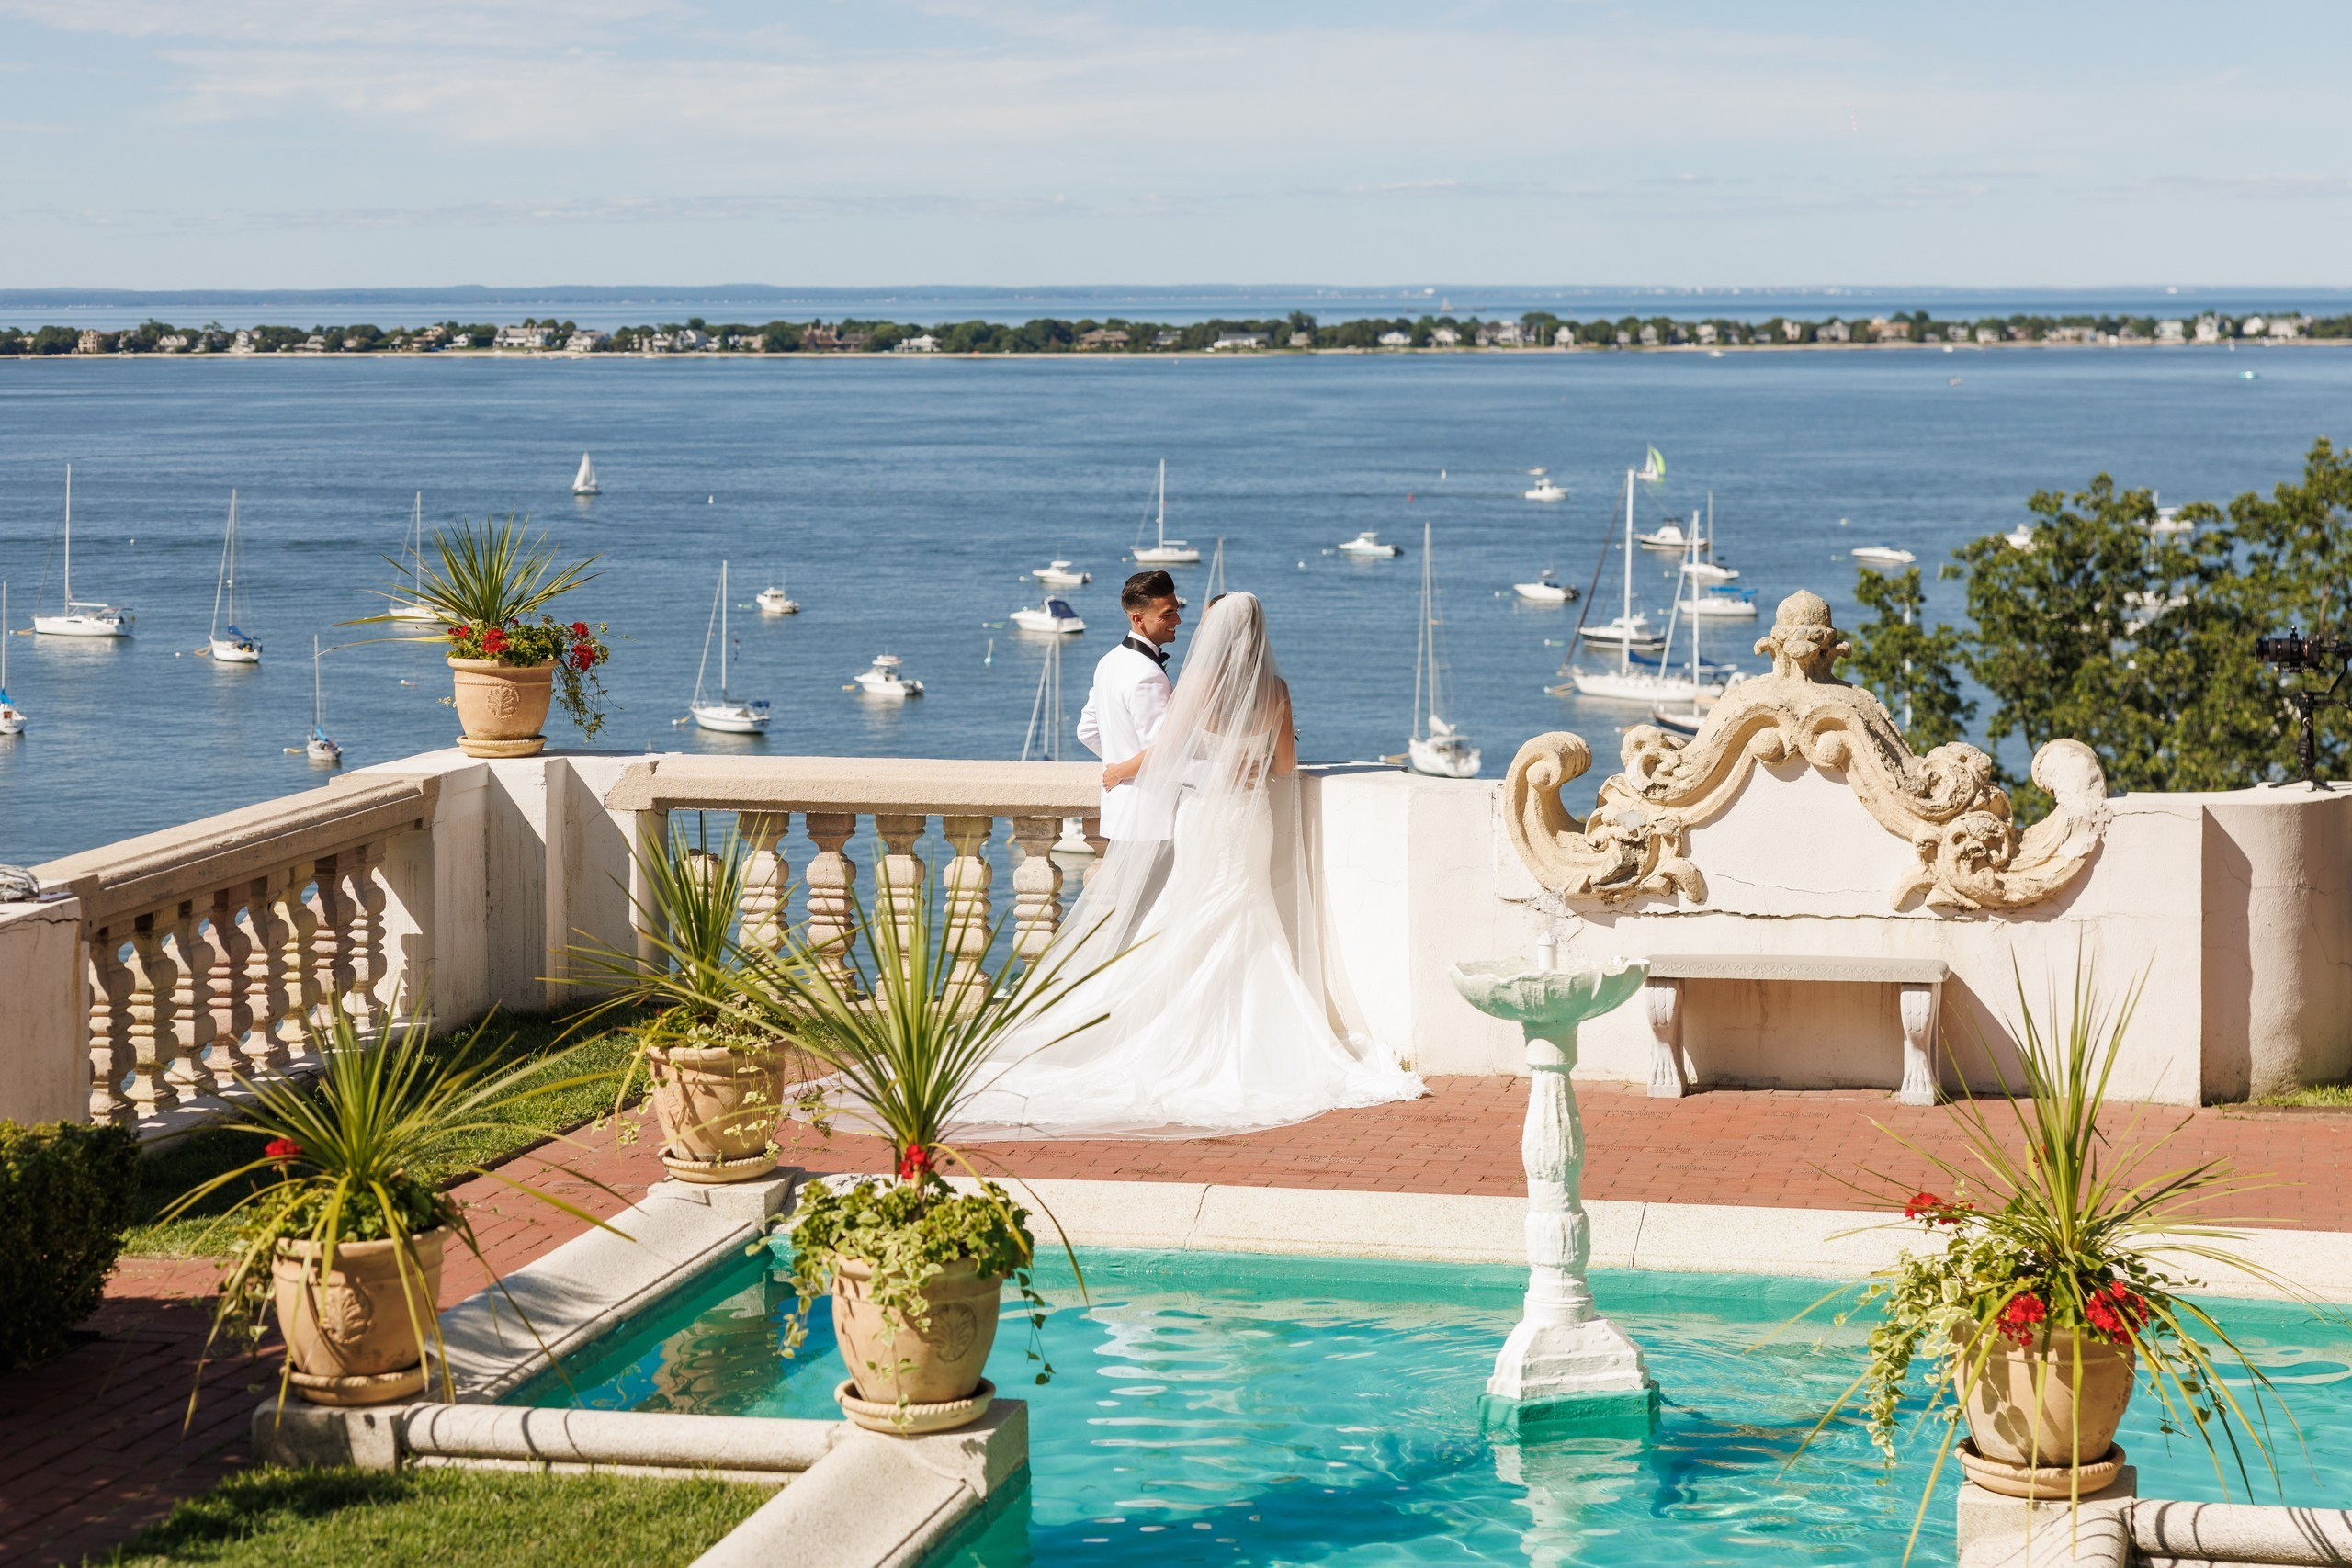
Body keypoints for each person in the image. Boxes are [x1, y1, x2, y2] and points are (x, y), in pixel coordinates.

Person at [958, 591, 1425, 1140]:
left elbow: (1169, 754)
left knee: (1189, 912)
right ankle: (1252, 1043)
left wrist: (1118, 772)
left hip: (1205, 815)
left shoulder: (1198, 688)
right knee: (1248, 913)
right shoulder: (1275, 691)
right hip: (1249, 818)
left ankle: (1172, 1033)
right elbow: (1284, 767)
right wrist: (1247, 760)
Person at [1076, 570, 1181, 843]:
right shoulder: (1149, 674)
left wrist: (1119, 765)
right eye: (1167, 614)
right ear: (1138, 619)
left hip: (1118, 813)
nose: (1178, 620)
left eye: (1176, 611)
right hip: (1152, 819)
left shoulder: (1108, 661)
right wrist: (1124, 770)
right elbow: (1163, 753)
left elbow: (1086, 731)